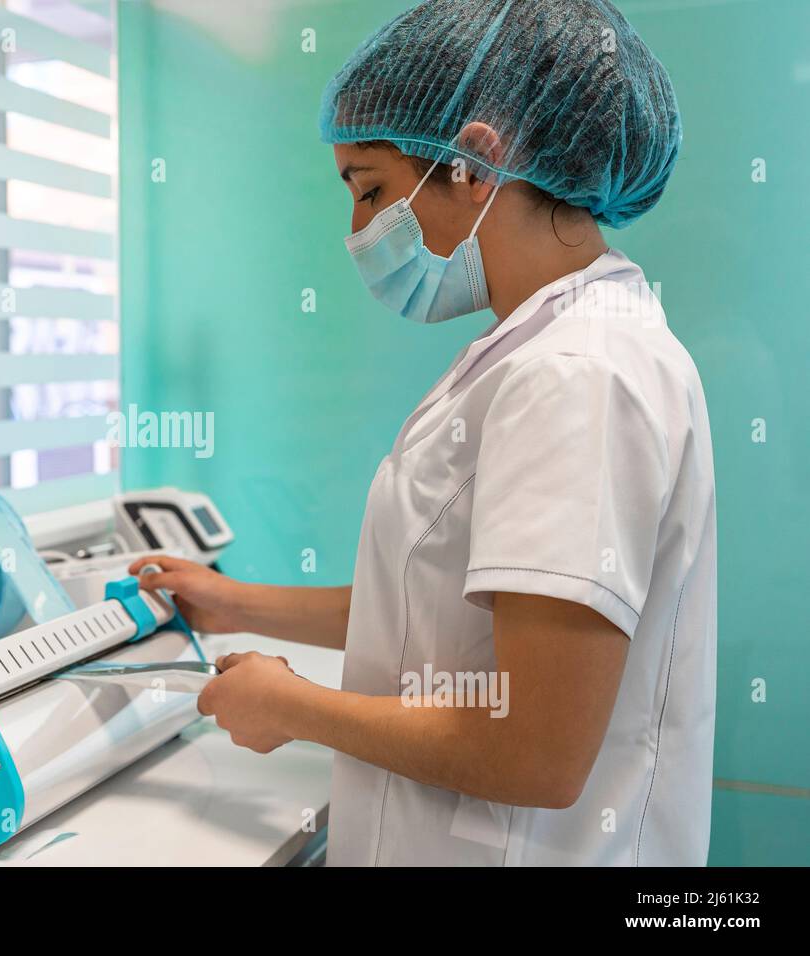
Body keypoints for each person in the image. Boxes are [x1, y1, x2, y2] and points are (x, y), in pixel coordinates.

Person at [130, 0, 716, 866]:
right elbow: (443, 619)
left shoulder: (576, 374)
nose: (358, 232)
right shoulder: (545, 345)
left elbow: (539, 752)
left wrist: (292, 708)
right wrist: (236, 604)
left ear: (475, 164)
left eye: (370, 190)